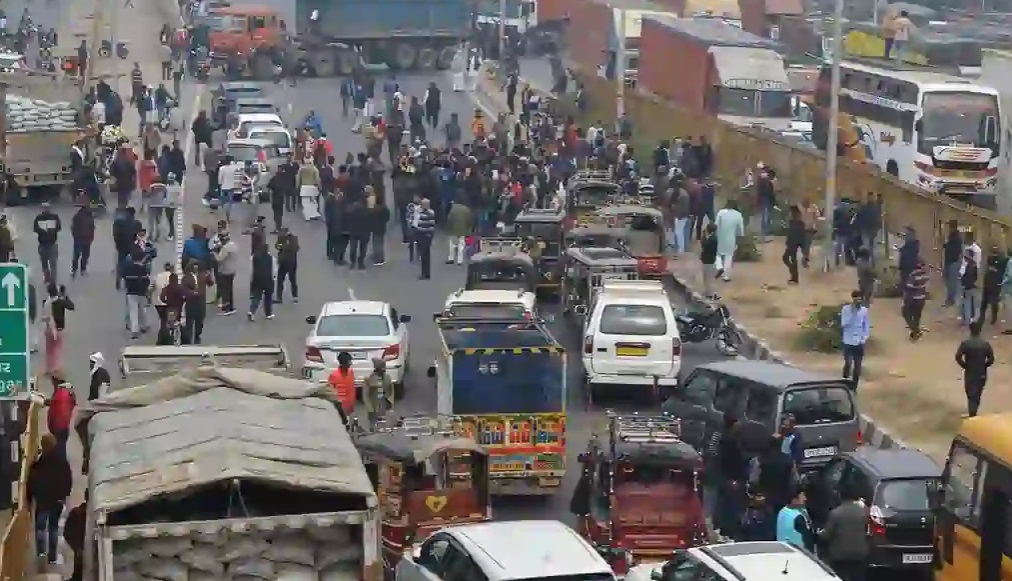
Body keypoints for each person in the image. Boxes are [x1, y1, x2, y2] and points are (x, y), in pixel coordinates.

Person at [27, 433, 72, 566]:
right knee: (53, 528)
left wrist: (30, 500)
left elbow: (31, 483)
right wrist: (64, 496)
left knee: (40, 527)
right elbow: (68, 481)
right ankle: (52, 556)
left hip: (42, 501)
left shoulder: (37, 464)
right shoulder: (62, 462)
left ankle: (41, 552)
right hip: (56, 501)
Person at [821, 487, 870, 581]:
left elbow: (826, 535)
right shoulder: (864, 512)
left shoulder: (835, 513)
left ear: (840, 496)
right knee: (858, 576)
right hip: (859, 553)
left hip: (840, 555)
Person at [956, 322, 995, 417]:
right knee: (977, 393)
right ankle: (973, 413)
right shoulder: (985, 344)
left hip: (970, 371)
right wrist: (984, 366)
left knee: (970, 393)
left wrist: (964, 365)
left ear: (970, 330)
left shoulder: (966, 343)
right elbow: (991, 359)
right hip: (981, 372)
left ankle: (972, 414)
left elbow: (958, 357)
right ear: (980, 330)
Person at [840, 290, 870, 390]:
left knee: (857, 367)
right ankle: (845, 381)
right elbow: (844, 324)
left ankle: (854, 388)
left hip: (859, 342)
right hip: (848, 341)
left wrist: (864, 338)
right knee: (848, 363)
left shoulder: (864, 310)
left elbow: (866, 325)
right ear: (853, 299)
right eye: (856, 299)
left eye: (860, 299)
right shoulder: (846, 309)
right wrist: (853, 313)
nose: (858, 301)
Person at [42, 283, 73, 376]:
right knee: (57, 349)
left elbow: (45, 317)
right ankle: (56, 369)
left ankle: (49, 369)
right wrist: (65, 296)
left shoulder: (47, 303)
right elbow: (71, 306)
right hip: (59, 329)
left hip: (49, 329)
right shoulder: (61, 301)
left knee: (49, 350)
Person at [776, 487, 815, 552]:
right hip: (800, 552)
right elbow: (807, 539)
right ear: (794, 499)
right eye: (802, 496)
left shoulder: (781, 511)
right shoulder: (798, 517)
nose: (805, 499)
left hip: (782, 549)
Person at [122, 251, 150, 339]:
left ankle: (134, 330)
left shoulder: (128, 269)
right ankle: (144, 326)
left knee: (133, 311)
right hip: (141, 292)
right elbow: (147, 280)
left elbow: (124, 277)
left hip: (131, 292)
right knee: (142, 309)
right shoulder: (142, 268)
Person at [714, 200, 744, 282]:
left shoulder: (721, 212)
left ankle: (719, 267)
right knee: (729, 256)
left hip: (720, 236)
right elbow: (740, 230)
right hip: (731, 238)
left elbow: (716, 224)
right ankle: (726, 276)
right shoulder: (738, 215)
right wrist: (739, 237)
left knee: (718, 254)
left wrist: (715, 234)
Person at [33, 202, 61, 284]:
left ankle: (49, 278)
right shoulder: (54, 217)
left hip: (46, 244)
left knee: (47, 263)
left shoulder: (39, 218)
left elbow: (35, 230)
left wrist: (42, 230)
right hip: (49, 243)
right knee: (49, 263)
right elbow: (59, 228)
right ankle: (50, 278)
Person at [362, 358, 394, 430]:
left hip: (383, 406)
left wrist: (390, 402)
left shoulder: (387, 377)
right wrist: (370, 408)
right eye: (382, 367)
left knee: (383, 426)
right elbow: (365, 395)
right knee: (373, 427)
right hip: (373, 406)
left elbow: (391, 391)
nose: (384, 369)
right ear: (377, 368)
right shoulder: (369, 379)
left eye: (384, 367)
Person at [47, 378, 75, 456]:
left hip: (59, 427)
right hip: (64, 426)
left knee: (59, 451)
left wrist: (51, 426)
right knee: (61, 449)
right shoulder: (68, 392)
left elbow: (56, 412)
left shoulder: (60, 393)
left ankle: (60, 466)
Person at [248, 242, 276, 320]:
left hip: (257, 279)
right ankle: (268, 313)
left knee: (256, 297)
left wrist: (252, 279)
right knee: (268, 297)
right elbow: (274, 270)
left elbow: (251, 270)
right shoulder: (271, 258)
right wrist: (274, 278)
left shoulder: (254, 257)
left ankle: (252, 312)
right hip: (268, 280)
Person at [213, 230, 239, 315]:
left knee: (225, 290)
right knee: (229, 289)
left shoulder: (225, 248)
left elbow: (219, 259)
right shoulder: (233, 245)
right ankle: (231, 306)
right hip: (232, 270)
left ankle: (226, 308)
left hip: (225, 270)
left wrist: (214, 253)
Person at [328, 351, 355, 424]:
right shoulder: (334, 376)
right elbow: (331, 394)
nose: (350, 363)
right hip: (340, 409)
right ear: (342, 363)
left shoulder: (351, 372)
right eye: (348, 362)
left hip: (350, 406)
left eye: (350, 361)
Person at [64, 494, 87, 581]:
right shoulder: (77, 513)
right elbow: (68, 533)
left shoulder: (76, 513)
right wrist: (77, 547)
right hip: (81, 551)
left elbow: (67, 533)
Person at [412, 197, 436, 279]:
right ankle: (427, 273)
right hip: (428, 236)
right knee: (426, 255)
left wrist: (416, 229)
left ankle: (424, 274)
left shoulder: (424, 214)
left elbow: (420, 225)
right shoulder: (432, 212)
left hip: (423, 236)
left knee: (424, 256)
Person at [275, 228, 299, 303]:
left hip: (290, 263)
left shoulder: (293, 239)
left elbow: (296, 248)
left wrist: (283, 247)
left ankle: (294, 296)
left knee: (292, 280)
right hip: (284, 263)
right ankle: (279, 297)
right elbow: (277, 246)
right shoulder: (281, 238)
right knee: (280, 280)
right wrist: (283, 246)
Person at [70, 204, 95, 277]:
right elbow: (73, 227)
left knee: (81, 255)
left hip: (83, 238)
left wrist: (91, 237)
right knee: (80, 255)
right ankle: (78, 269)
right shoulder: (79, 216)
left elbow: (92, 228)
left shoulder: (87, 216)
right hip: (81, 238)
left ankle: (79, 269)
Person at [783, 205, 804, 284]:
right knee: (788, 259)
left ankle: (794, 277)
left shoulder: (798, 223)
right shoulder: (793, 222)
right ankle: (794, 276)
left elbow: (799, 235)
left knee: (790, 259)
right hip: (791, 244)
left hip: (793, 244)